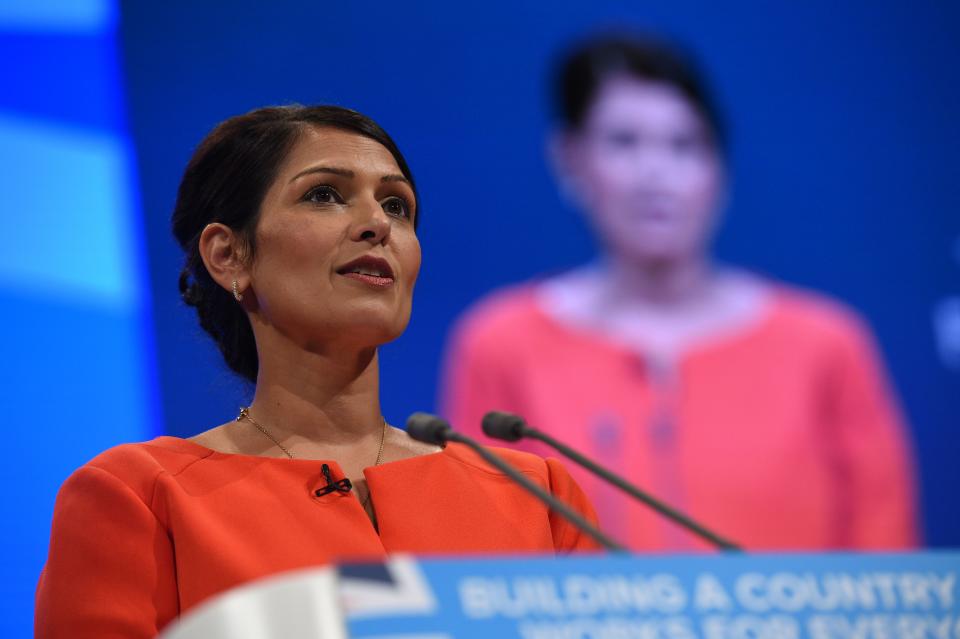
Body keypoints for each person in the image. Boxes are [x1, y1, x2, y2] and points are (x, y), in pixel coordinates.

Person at [35, 105, 600, 637]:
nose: (377, 223)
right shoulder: (139, 497)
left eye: (397, 205)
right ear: (228, 255)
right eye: (325, 195)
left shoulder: (536, 495)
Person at [440, 34, 919, 552]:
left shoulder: (826, 345)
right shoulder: (502, 343)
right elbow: (483, 556)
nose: (656, 174)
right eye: (624, 142)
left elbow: (886, 563)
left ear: (720, 170)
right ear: (569, 160)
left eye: (684, 145)